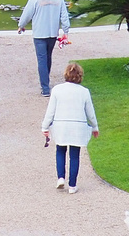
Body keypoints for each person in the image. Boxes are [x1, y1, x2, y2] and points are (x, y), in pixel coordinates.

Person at [42, 62, 99, 193]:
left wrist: (45, 126)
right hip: (77, 126)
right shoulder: (84, 92)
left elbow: (50, 111)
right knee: (74, 155)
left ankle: (60, 177)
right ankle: (72, 185)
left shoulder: (57, 89)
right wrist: (95, 127)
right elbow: (90, 113)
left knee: (60, 150)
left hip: (61, 125)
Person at [17, 0, 71, 95]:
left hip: (39, 34)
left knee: (42, 59)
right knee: (48, 57)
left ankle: (45, 88)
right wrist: (66, 31)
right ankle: (46, 81)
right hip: (52, 33)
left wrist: (21, 25)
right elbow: (64, 16)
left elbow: (27, 14)